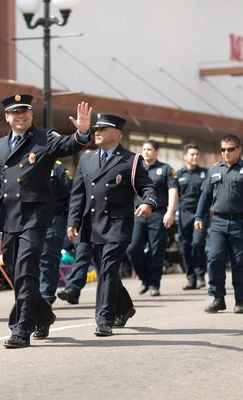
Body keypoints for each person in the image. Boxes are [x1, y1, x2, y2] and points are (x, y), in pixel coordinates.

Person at [0, 95, 92, 349]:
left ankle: (22, 328)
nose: (21, 116)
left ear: (31, 115)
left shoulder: (44, 138)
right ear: (7, 117)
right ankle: (44, 313)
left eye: (25, 112)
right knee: (13, 269)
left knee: (26, 269)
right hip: (9, 216)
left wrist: (82, 133)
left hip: (35, 216)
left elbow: (68, 146)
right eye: (15, 113)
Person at [67, 113, 156, 336]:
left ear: (116, 133)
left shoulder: (131, 159)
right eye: (96, 129)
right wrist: (73, 221)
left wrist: (147, 203)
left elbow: (147, 187)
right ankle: (125, 307)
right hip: (92, 223)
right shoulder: (86, 159)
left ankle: (103, 320)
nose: (96, 133)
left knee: (107, 269)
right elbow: (78, 194)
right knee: (106, 271)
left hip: (117, 224)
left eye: (102, 129)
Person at [195, 134, 243, 314]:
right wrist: (198, 217)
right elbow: (205, 195)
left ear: (239, 150)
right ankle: (218, 298)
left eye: (230, 149)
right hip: (218, 221)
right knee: (214, 257)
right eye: (223, 149)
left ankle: (240, 300)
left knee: (240, 261)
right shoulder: (214, 170)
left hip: (241, 222)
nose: (226, 153)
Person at [127, 140, 178, 296]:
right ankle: (145, 279)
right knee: (133, 248)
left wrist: (170, 212)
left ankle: (154, 284)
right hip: (138, 214)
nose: (146, 152)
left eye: (149, 149)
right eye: (144, 149)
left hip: (158, 214)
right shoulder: (136, 169)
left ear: (157, 151)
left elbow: (173, 190)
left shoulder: (165, 169)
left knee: (156, 250)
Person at [38, 159, 73, 305]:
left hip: (54, 218)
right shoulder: (27, 164)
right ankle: (32, 296)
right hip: (31, 219)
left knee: (48, 257)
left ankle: (45, 297)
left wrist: (73, 222)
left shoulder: (57, 168)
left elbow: (72, 195)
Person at [176, 143, 209, 290]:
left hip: (200, 214)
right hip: (184, 214)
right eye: (192, 154)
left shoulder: (205, 173)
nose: (195, 157)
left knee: (197, 243)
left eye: (197, 154)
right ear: (185, 157)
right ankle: (191, 278)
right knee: (185, 246)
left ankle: (201, 275)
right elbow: (174, 196)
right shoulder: (179, 175)